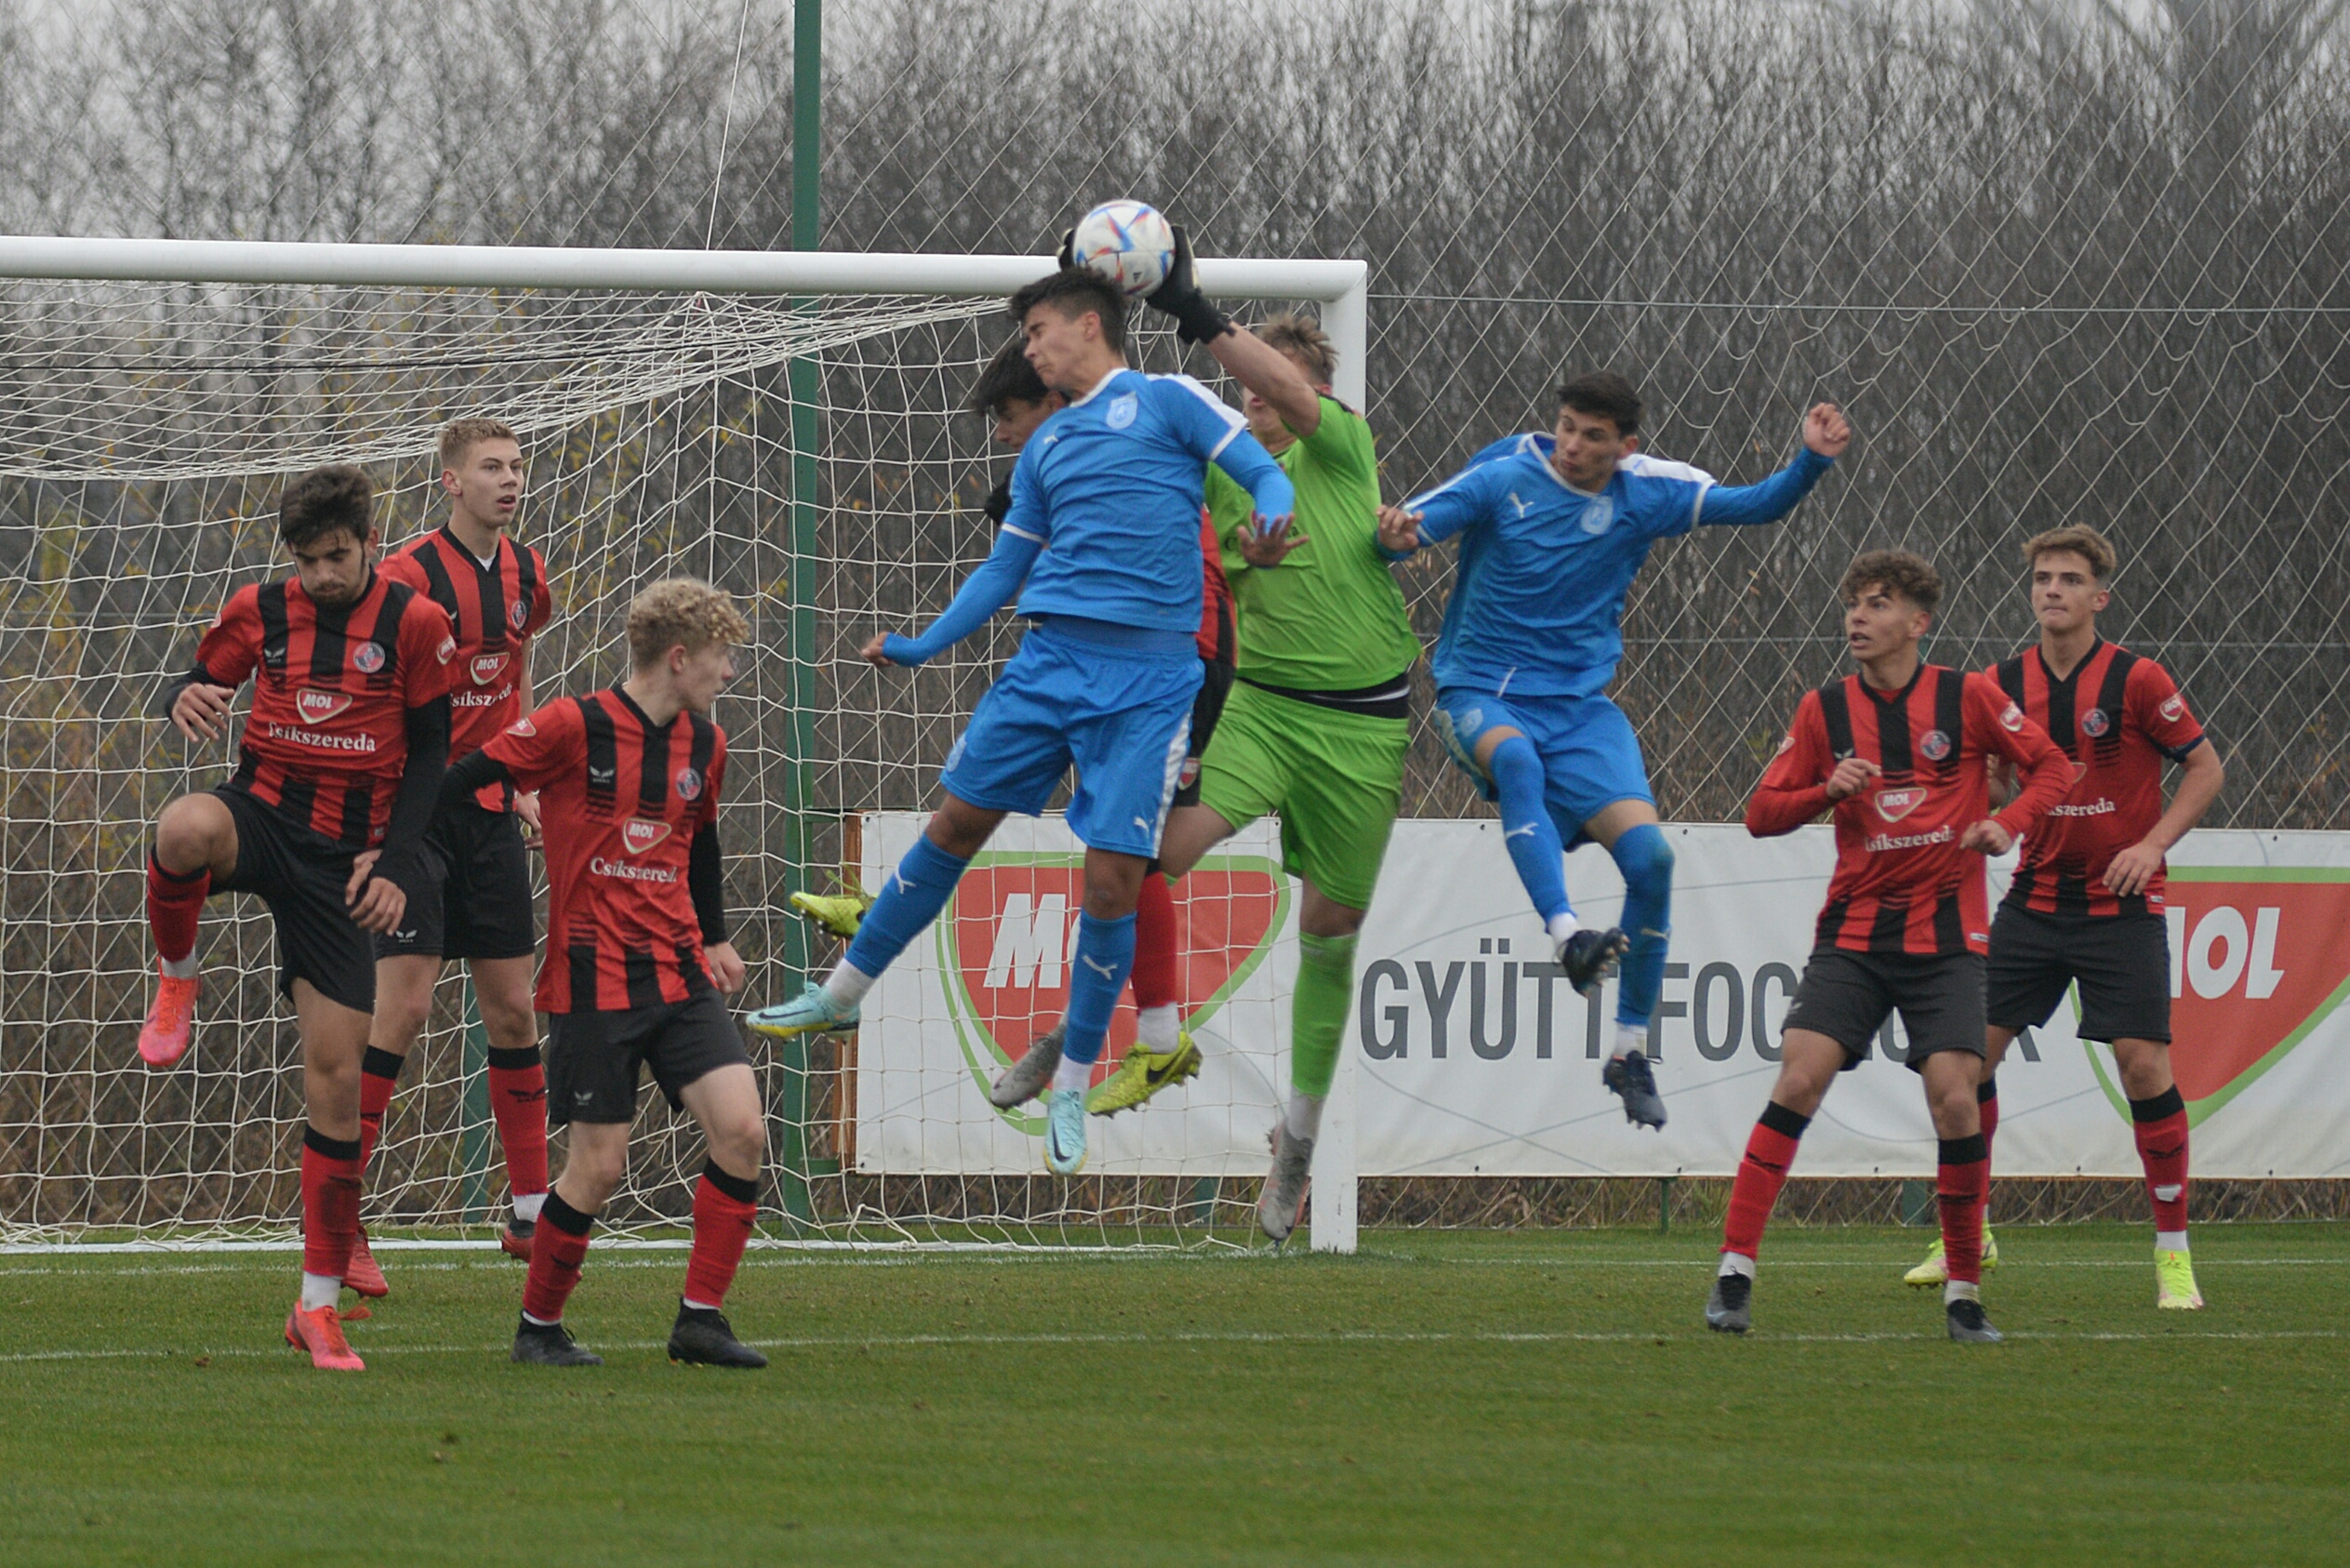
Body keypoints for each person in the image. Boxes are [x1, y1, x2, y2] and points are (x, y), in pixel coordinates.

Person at [746, 266, 1294, 1183]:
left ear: (1088, 324)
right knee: (956, 823)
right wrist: (923, 645)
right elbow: (1002, 574)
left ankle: (1073, 1079)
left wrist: (1271, 523)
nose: (1030, 349)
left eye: (1038, 330)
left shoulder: (1169, 401)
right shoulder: (1043, 451)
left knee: (1115, 882)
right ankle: (842, 994)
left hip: (1151, 682)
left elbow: (1263, 472)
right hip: (1047, 669)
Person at [1377, 374, 1852, 1131]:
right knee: (1518, 764)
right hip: (1481, 693)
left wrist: (1810, 461)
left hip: (1581, 713)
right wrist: (1396, 536)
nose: (1572, 445)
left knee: (1652, 862)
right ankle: (1567, 935)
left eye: (1592, 436)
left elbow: (1754, 505)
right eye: (1566, 427)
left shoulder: (1648, 493)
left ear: (1623, 447)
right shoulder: (1505, 479)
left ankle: (1629, 1051)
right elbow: (1406, 532)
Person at [138, 464, 457, 1371]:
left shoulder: (413, 623)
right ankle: (175, 982)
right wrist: (183, 694)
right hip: (264, 822)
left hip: (342, 866)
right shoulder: (262, 609)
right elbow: (200, 679)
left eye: (337, 556)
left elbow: (431, 752)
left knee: (334, 1080)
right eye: (307, 559)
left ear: (368, 543)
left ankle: (314, 1306)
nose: (321, 574)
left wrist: (396, 860)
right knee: (183, 826)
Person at [1708, 551, 2072, 1343]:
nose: (1858, 618)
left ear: (1917, 621)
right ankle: (1734, 1273)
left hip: (1947, 943)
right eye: (1853, 604)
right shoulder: (1823, 710)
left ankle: (1964, 1294)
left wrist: (2003, 826)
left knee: (1953, 1098)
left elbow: (2051, 767)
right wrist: (1822, 791)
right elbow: (1760, 814)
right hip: (1854, 936)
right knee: (1799, 1078)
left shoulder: (1966, 695)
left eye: (1877, 605)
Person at [1135, 309, 1425, 1242]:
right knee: (1149, 852)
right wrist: (1247, 563)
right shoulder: (1226, 473)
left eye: (1273, 376)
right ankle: (1140, 1026)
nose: (1252, 388)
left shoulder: (1340, 444)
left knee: (1331, 927)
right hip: (1262, 708)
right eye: (1244, 377)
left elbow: (1295, 395)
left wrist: (1202, 316)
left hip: (1362, 724)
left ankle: (1296, 1137)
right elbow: (1230, 577)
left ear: (1312, 390)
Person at [440, 579, 763, 1368]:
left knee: (744, 1132)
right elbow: (465, 776)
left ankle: (699, 1321)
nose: (729, 674)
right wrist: (402, 852)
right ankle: (539, 1330)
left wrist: (715, 938)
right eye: (721, 658)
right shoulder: (570, 724)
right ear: (679, 657)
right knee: (598, 1165)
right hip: (592, 981)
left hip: (680, 975)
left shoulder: (706, 747)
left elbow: (705, 844)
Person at [1901, 525, 2223, 1309]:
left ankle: (2172, 1253)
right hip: (2034, 903)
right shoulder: (1999, 682)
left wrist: (2150, 844)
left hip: (2121, 906)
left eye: (2068, 579)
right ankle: (1968, 1233)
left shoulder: (2138, 678)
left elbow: (2206, 768)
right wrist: (1994, 813)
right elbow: (1994, 780)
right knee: (1963, 1063)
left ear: (2097, 597)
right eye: (2042, 578)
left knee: (2143, 1066)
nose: (2051, 590)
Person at [343, 418, 556, 1303]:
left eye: (516, 468)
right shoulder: (404, 577)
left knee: (513, 1006)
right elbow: (370, 688)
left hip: (489, 813)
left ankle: (532, 1212)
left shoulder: (526, 572)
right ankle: (337, 1212)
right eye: (491, 469)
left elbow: (515, 673)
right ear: (451, 483)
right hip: (412, 817)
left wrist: (528, 776)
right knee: (405, 1006)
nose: (509, 481)